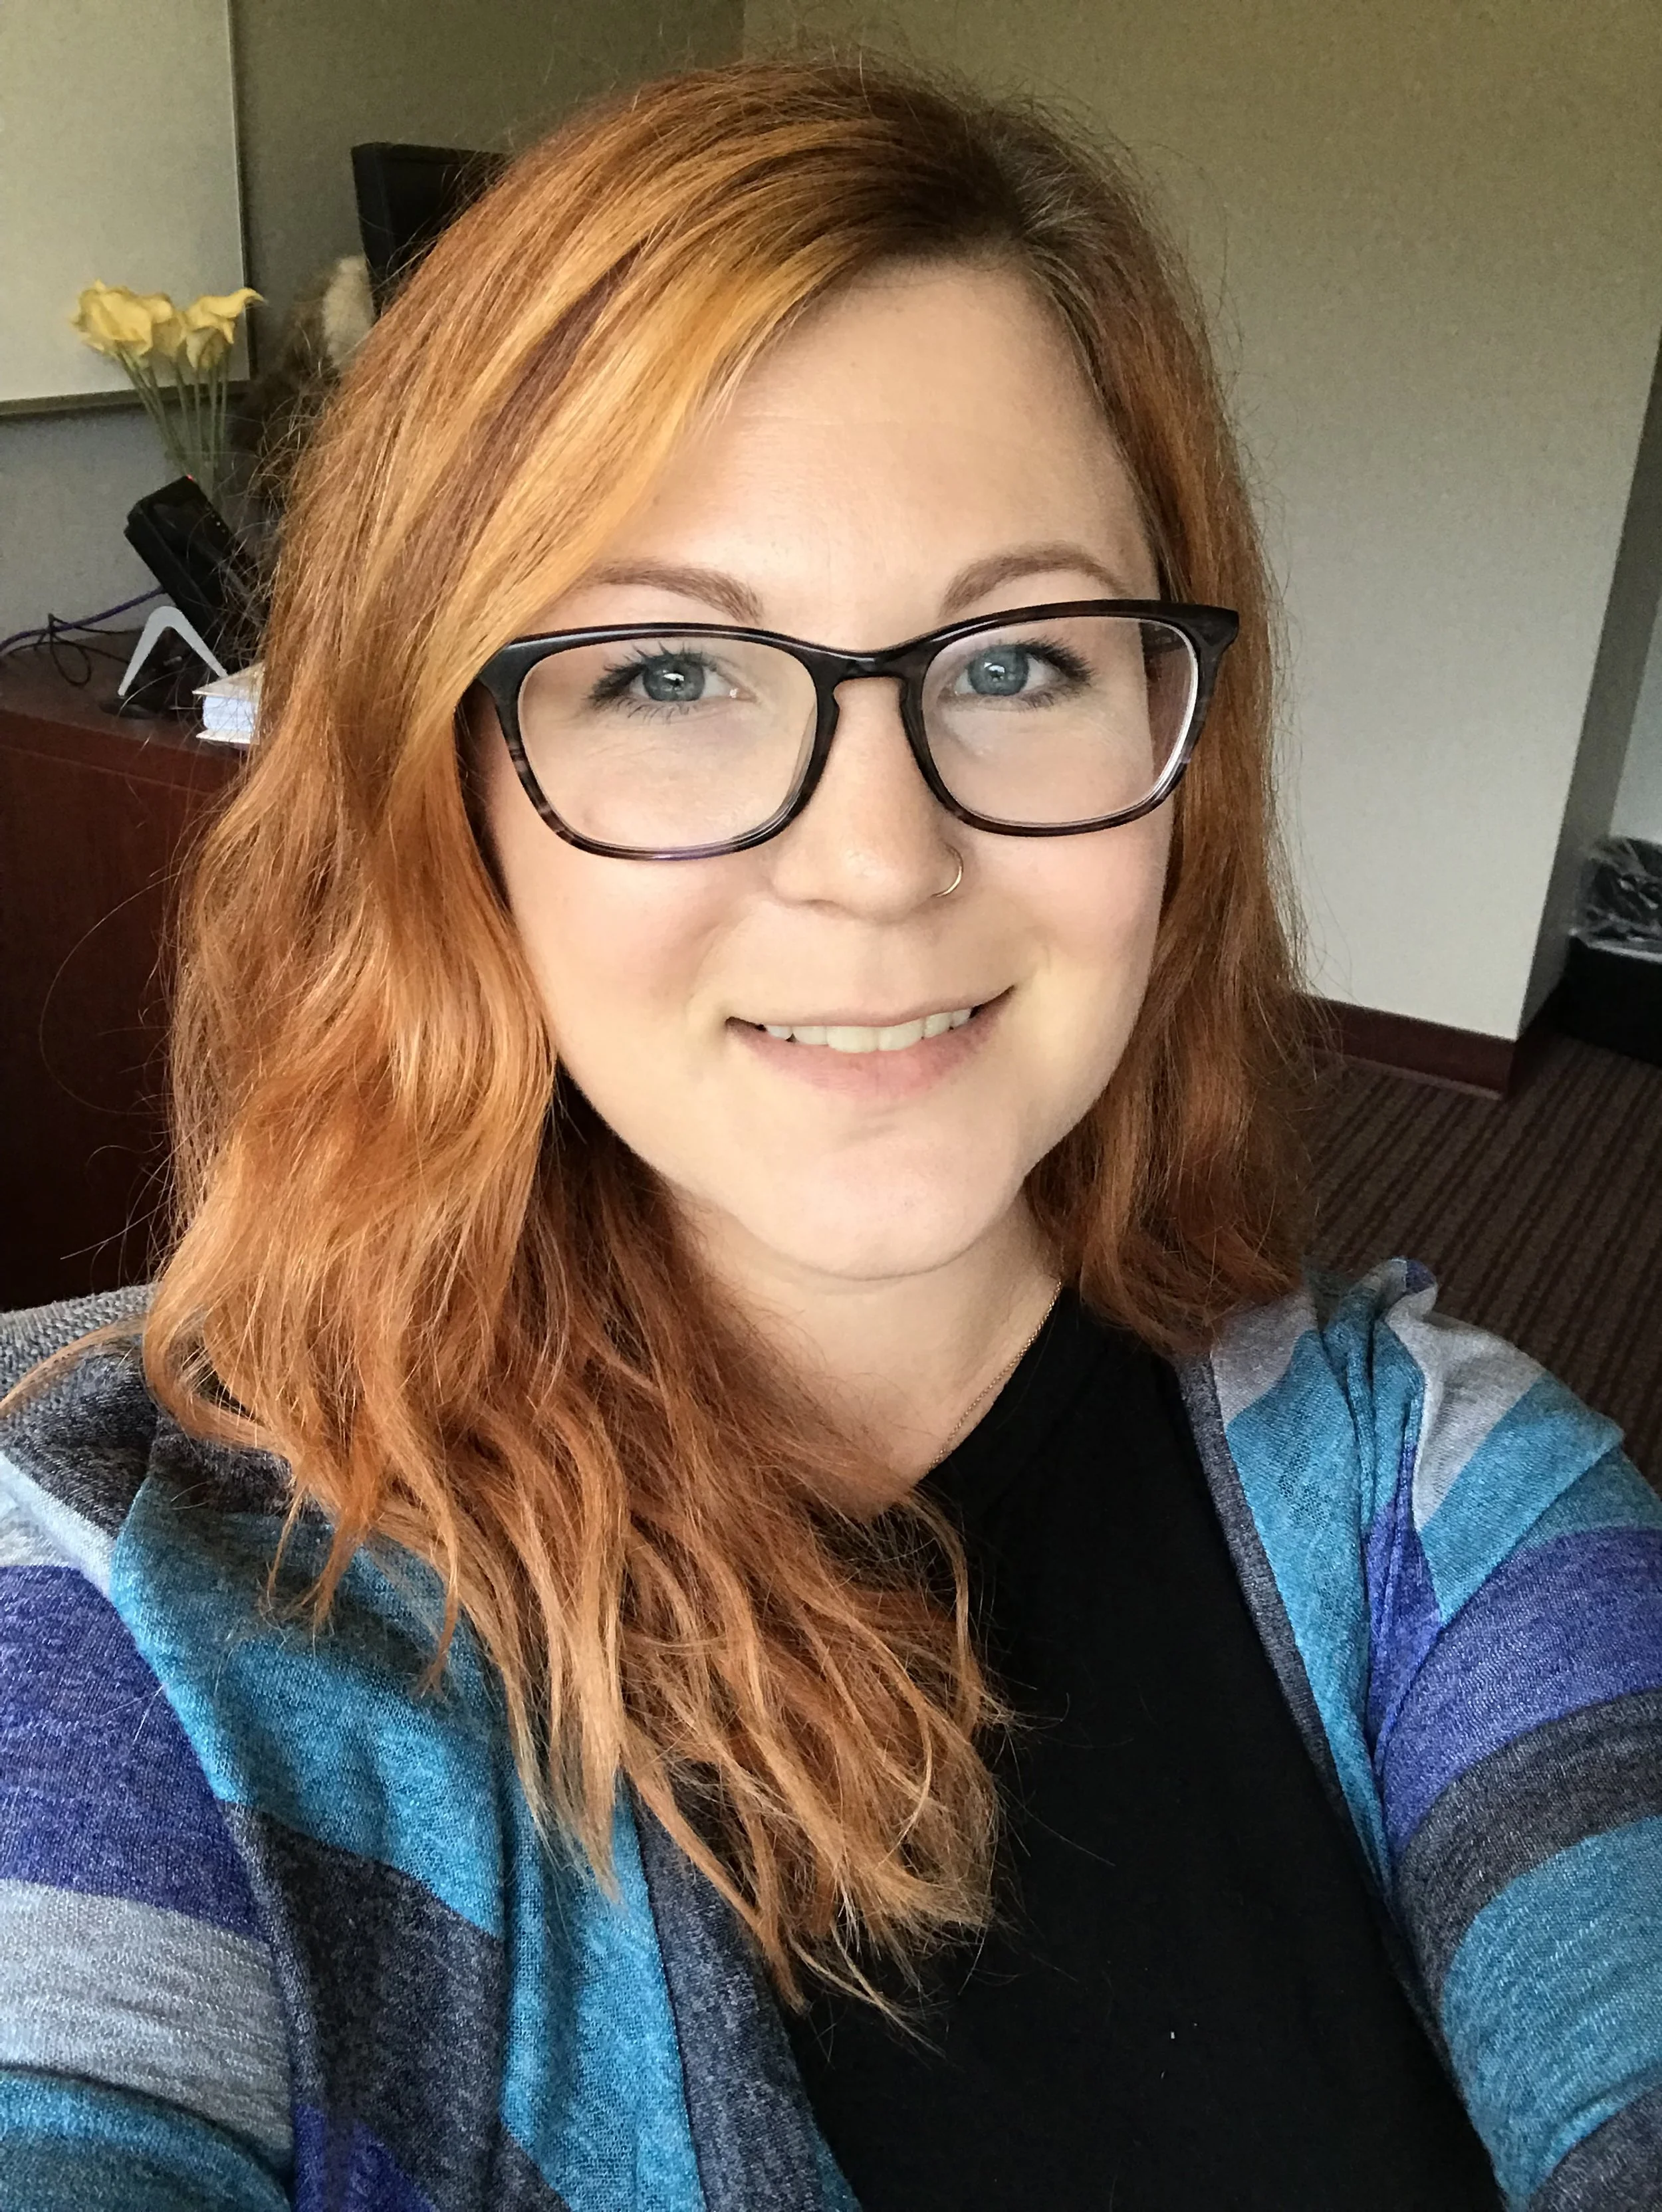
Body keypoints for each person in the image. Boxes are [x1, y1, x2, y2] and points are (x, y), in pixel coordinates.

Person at [1, 58, 1658, 2212]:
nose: (880, 863)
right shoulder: (129, 1584)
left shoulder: (1448, 1507)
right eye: (670, 673)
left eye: (1017, 660)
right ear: (444, 794)